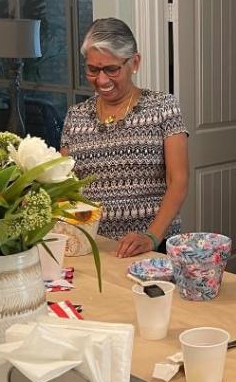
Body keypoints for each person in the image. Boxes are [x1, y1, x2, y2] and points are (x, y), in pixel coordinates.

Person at [60, 18, 189, 258]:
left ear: (134, 62)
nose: (101, 80)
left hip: (152, 248)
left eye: (112, 69)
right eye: (93, 69)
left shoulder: (163, 107)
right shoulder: (75, 116)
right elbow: (64, 184)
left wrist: (151, 237)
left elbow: (178, 180)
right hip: (93, 248)